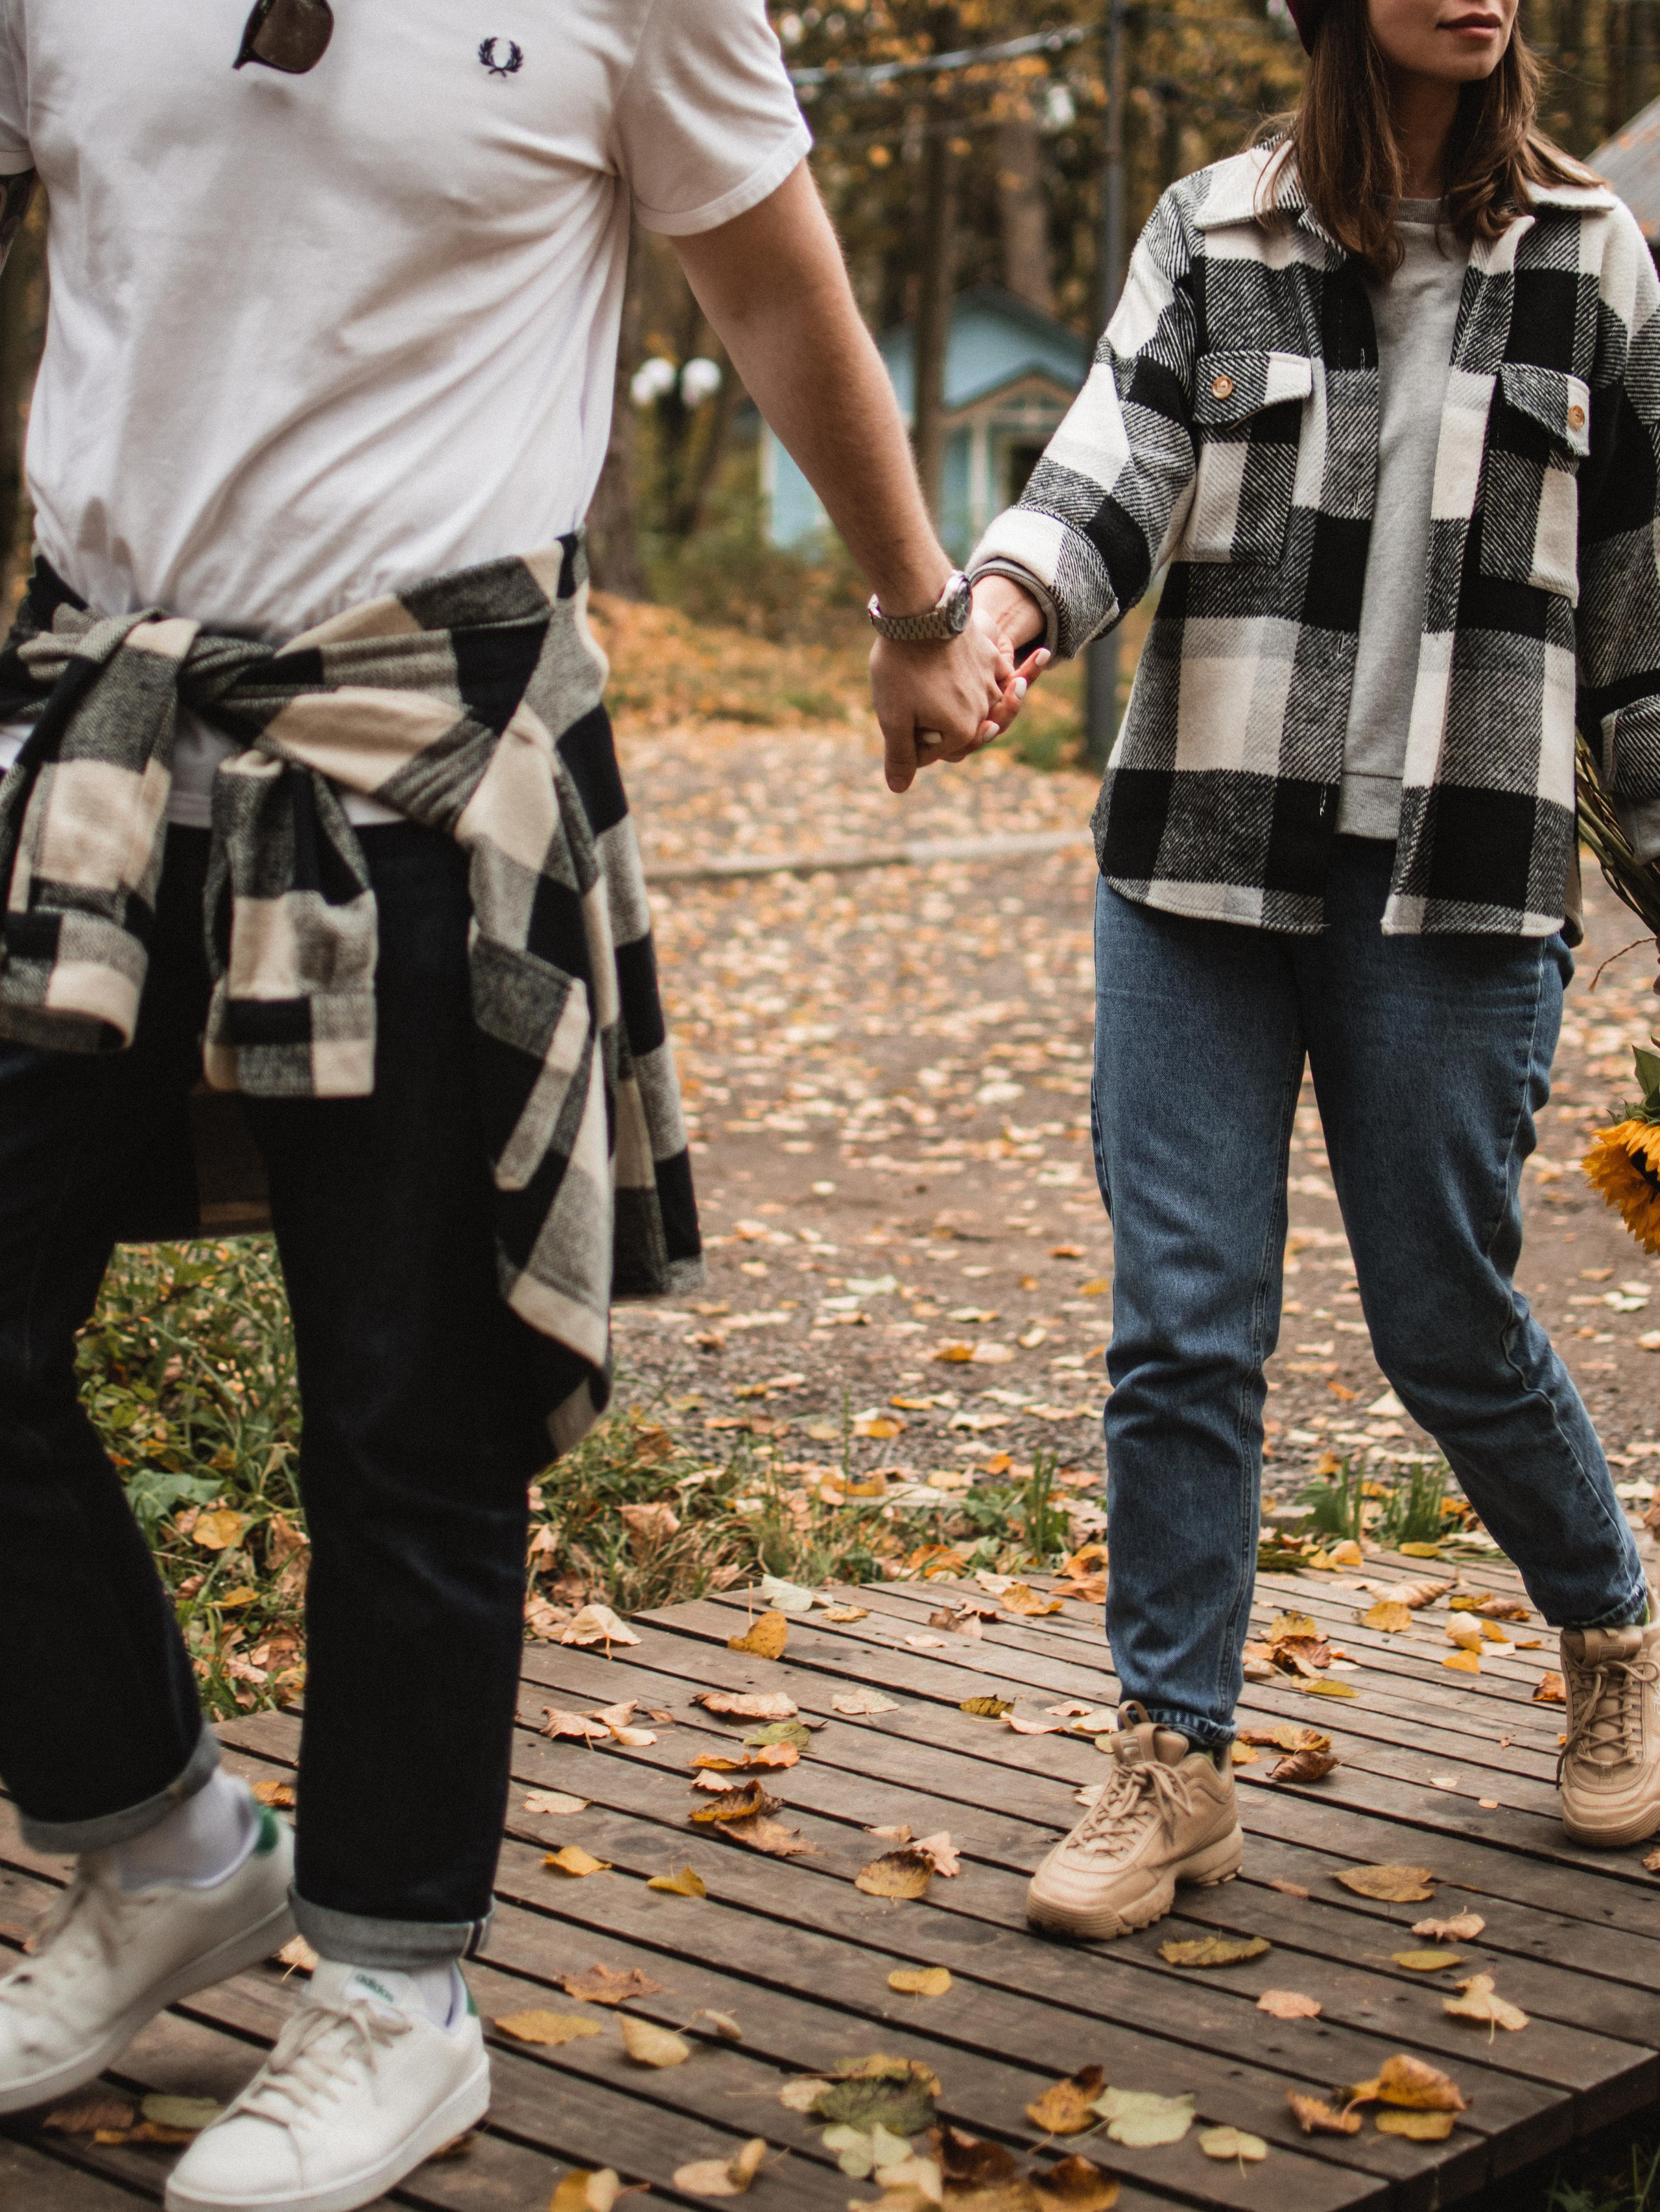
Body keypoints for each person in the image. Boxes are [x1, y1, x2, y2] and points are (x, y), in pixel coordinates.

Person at [0, 5, 1026, 2206]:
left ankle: (394, 1989)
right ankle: (166, 1846)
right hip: (100, 722)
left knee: (406, 1396)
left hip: (424, 746)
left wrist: (913, 604)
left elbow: (769, 280)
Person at [967, 0, 1660, 1940]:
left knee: (1444, 1319)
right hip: (1201, 861)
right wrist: (1004, 606)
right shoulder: (1218, 232)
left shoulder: (1594, 256)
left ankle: (1609, 1619)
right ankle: (1172, 1755)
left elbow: (1647, 617)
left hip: (1459, 888)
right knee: (1185, 1321)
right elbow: (1107, 464)